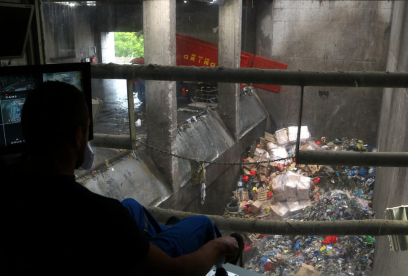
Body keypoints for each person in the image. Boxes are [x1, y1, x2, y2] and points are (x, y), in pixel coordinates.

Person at [1, 81, 240, 276]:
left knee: (131, 207)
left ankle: (168, 231)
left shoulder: (13, 190)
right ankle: (219, 254)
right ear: (77, 137)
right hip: (141, 263)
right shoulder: (98, 215)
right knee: (202, 224)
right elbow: (175, 272)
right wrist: (216, 246)